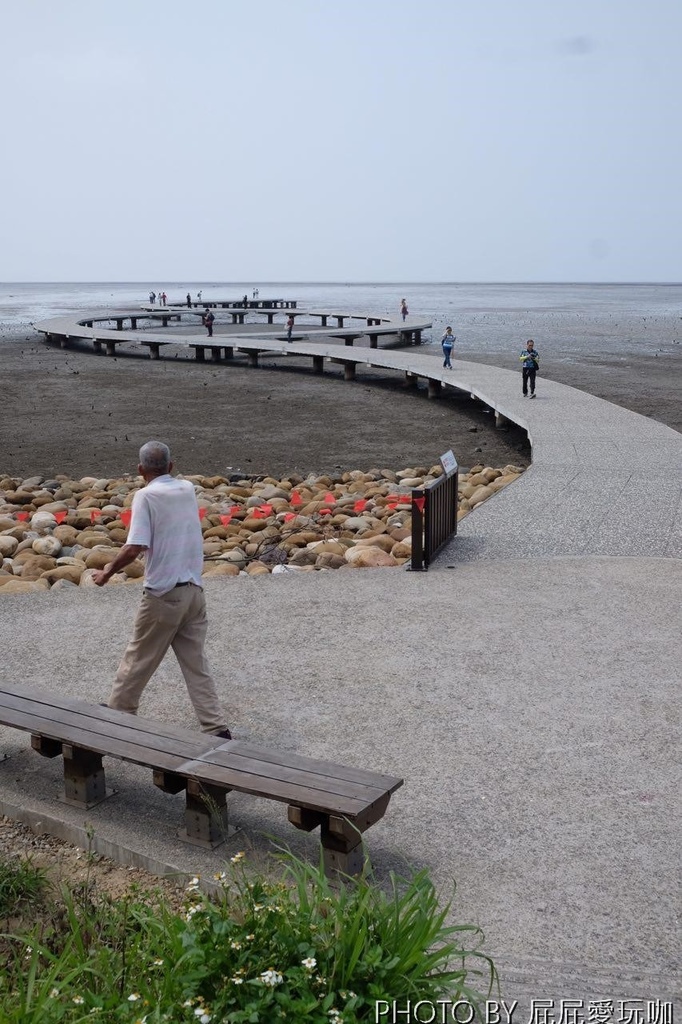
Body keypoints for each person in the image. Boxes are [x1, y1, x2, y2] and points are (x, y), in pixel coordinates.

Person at [91, 441, 231, 738]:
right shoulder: (186, 489)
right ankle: (215, 726)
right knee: (196, 664)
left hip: (164, 593)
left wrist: (106, 572)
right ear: (171, 466)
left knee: (138, 656)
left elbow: (135, 547)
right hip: (194, 591)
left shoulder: (146, 495)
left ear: (140, 469)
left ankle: (119, 714)